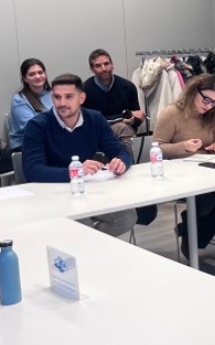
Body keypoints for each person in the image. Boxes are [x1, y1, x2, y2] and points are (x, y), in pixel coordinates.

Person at [22, 74, 135, 238]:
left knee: (127, 217)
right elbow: (33, 170)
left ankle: (86, 250)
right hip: (52, 194)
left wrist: (121, 162)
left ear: (81, 98)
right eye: (57, 97)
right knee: (82, 225)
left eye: (69, 97)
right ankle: (85, 253)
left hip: (87, 192)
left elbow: (119, 151)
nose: (62, 103)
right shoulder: (38, 125)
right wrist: (76, 171)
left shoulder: (95, 119)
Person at [152, 75, 215, 260]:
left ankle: (190, 234)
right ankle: (190, 235)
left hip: (207, 171)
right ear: (193, 91)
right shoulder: (171, 114)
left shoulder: (211, 114)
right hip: (179, 175)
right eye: (206, 99)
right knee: (206, 202)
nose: (209, 105)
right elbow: (157, 148)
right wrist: (183, 146)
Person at [83, 49, 145, 152]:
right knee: (122, 127)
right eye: (98, 66)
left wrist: (134, 120)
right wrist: (121, 117)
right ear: (92, 69)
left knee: (125, 129)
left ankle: (128, 163)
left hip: (125, 132)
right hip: (97, 132)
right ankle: (128, 163)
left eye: (106, 64)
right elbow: (92, 121)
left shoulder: (128, 87)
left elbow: (136, 116)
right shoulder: (85, 90)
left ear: (112, 65)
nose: (104, 69)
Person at [9, 57, 53, 151]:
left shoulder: (54, 94)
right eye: (32, 74)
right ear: (25, 79)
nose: (37, 76)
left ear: (45, 74)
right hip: (26, 144)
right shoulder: (19, 99)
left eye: (40, 72)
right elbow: (33, 127)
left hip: (52, 139)